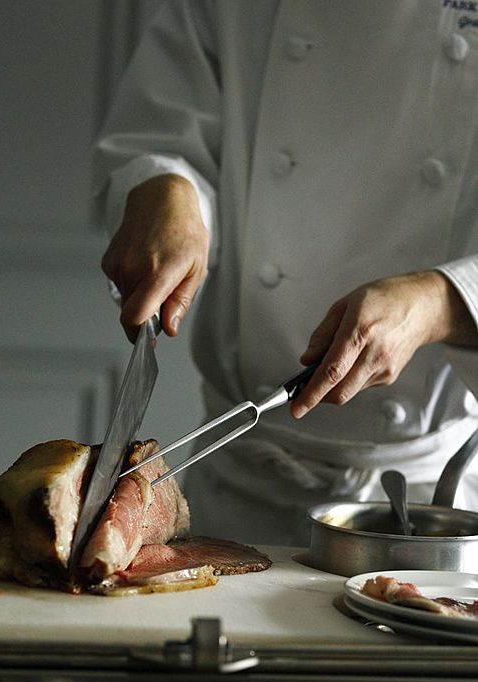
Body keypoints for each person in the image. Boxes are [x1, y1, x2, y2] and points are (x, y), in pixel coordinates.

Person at [92, 1, 478, 546]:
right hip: (238, 490)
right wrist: (165, 186)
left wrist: (440, 302)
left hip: (418, 511)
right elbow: (163, 120)